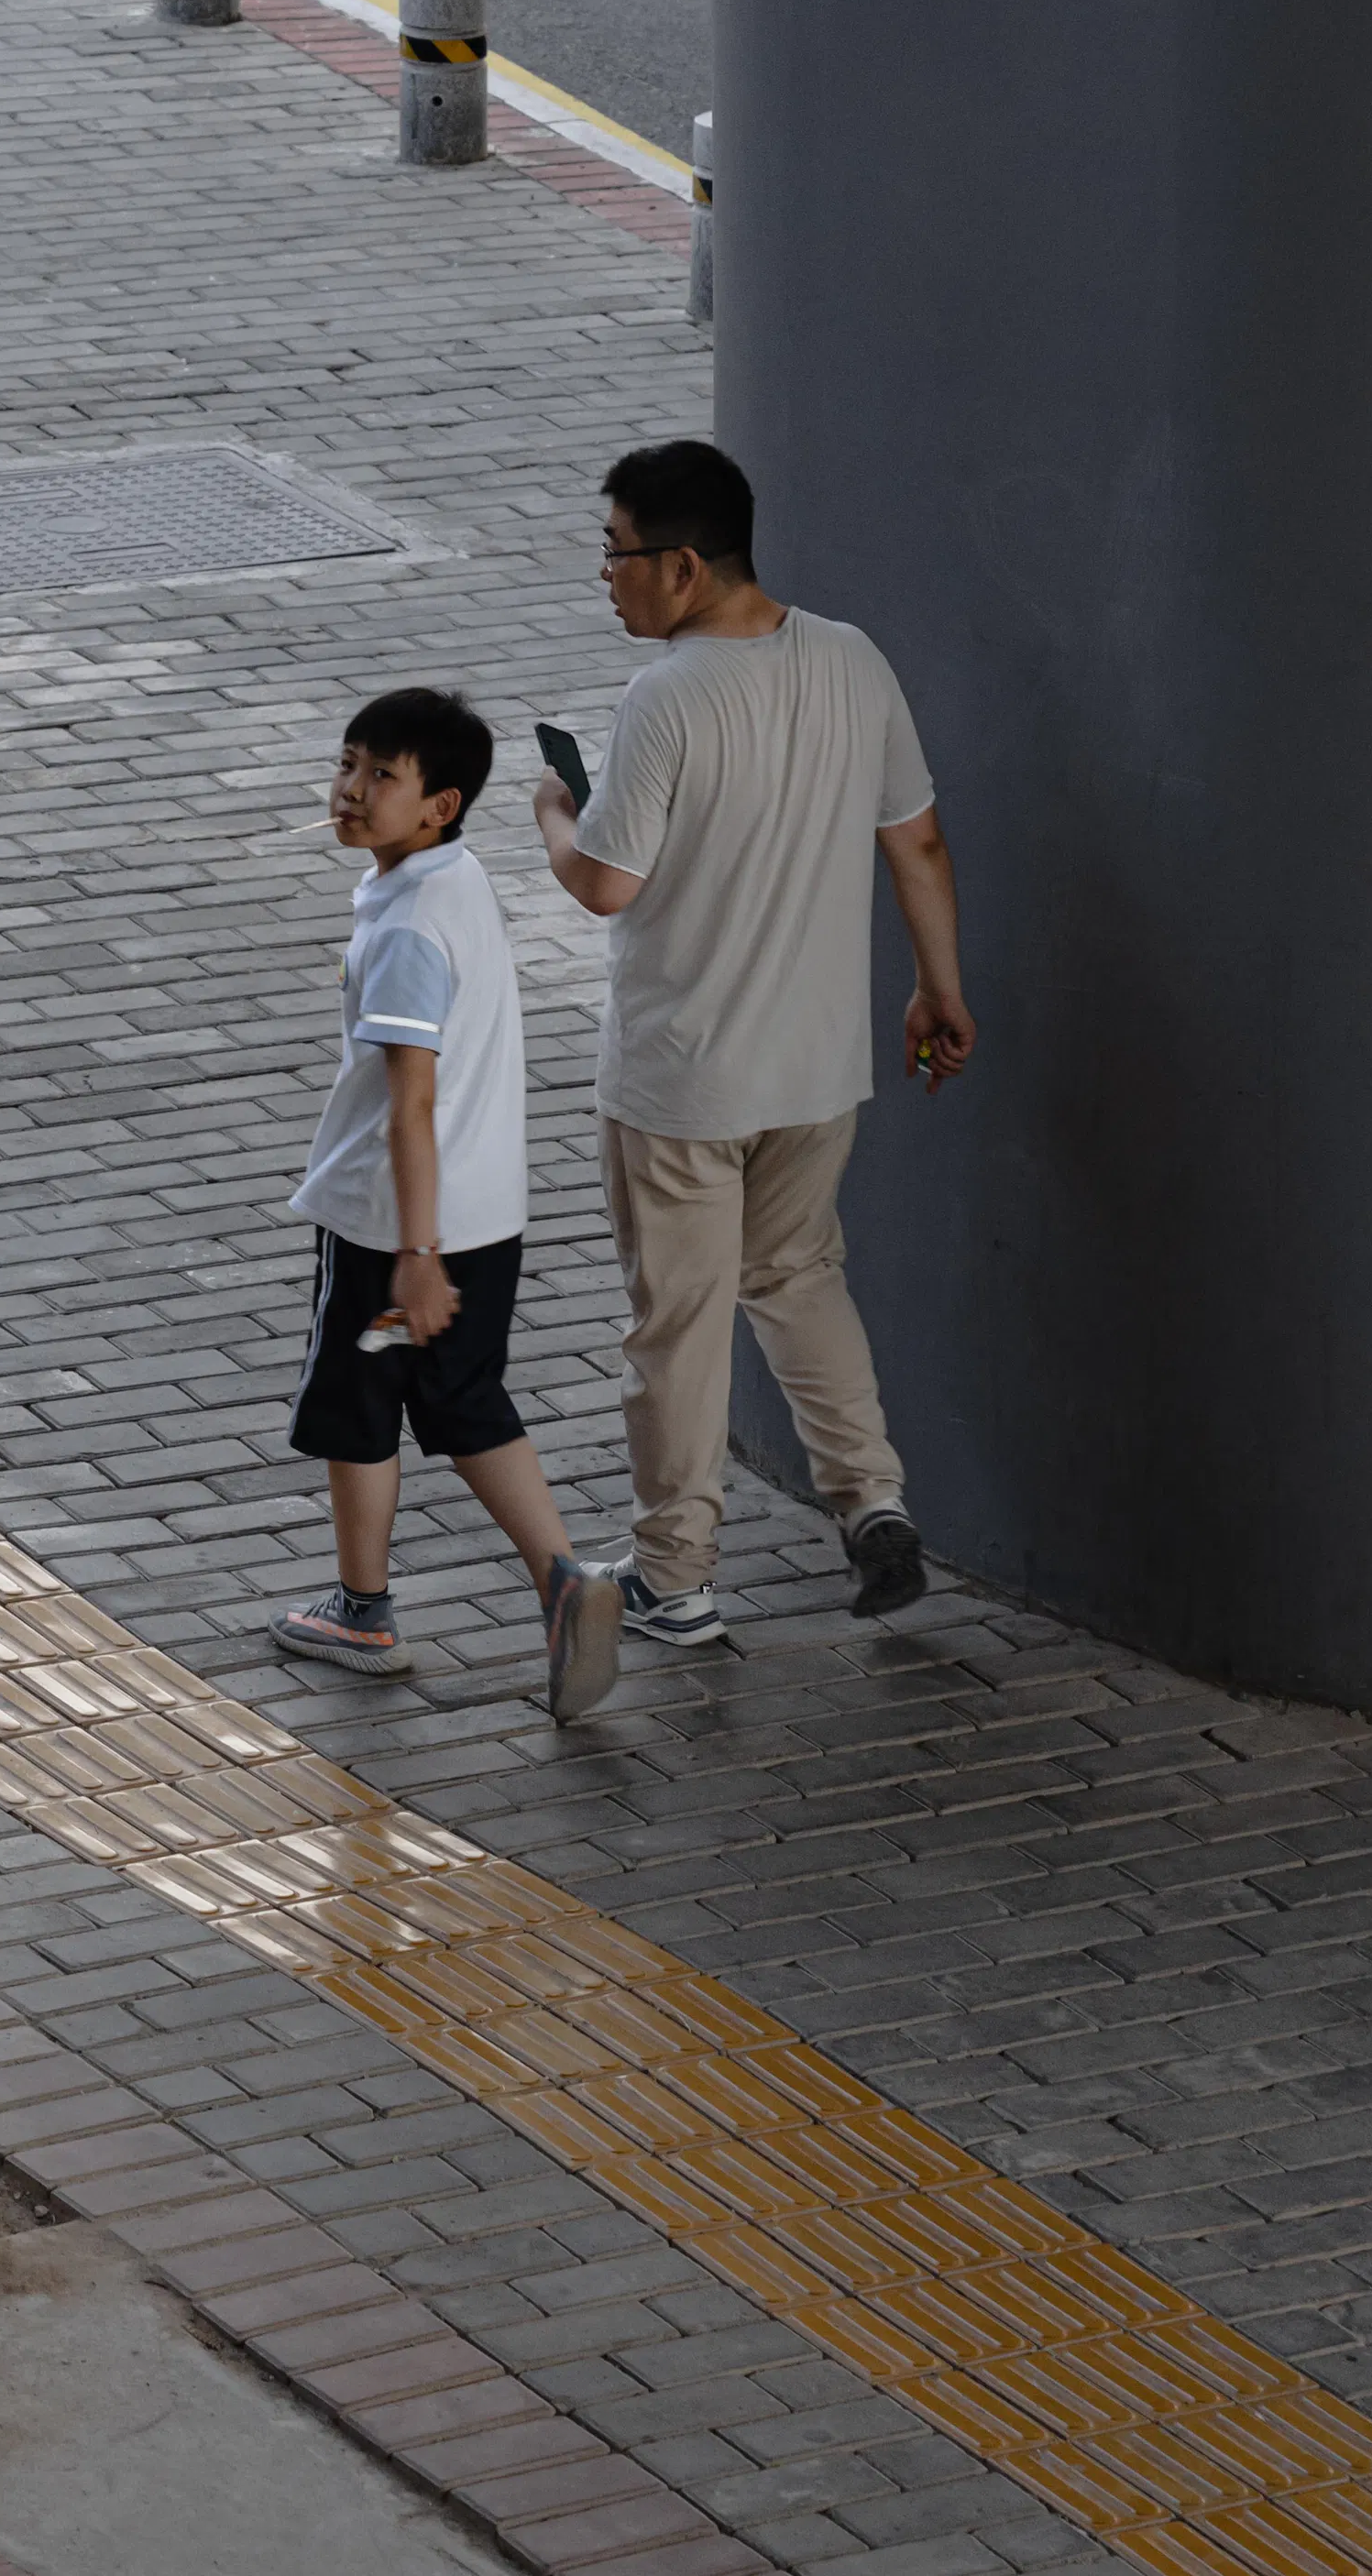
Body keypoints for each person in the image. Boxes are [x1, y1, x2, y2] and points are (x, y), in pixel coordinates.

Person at [532, 437, 974, 1642]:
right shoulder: (851, 657)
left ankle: (675, 1578)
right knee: (797, 1275)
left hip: (683, 1079)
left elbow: (609, 888)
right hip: (818, 1067)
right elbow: (917, 841)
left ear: (681, 566)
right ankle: (872, 1499)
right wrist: (938, 988)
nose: (609, 576)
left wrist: (555, 818)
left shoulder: (667, 697)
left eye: (615, 554)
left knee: (677, 1321)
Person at [270, 685, 623, 1726]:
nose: (350, 791)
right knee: (468, 1402)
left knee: (357, 1405)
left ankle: (362, 1611)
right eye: (349, 765)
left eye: (383, 777)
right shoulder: (453, 878)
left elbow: (409, 1102)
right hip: (487, 1212)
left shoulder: (406, 932)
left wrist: (413, 1254)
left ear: (441, 803)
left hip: (395, 1224)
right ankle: (561, 1577)